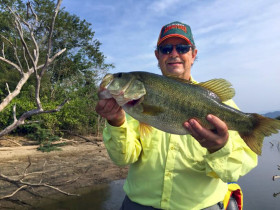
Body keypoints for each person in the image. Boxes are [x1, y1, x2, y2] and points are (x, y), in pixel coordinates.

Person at [95, 21, 258, 210]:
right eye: (165, 49)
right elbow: (123, 159)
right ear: (157, 56)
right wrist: (116, 121)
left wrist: (219, 148)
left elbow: (233, 172)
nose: (173, 54)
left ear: (193, 54)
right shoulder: (130, 107)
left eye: (182, 48)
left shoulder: (223, 107)